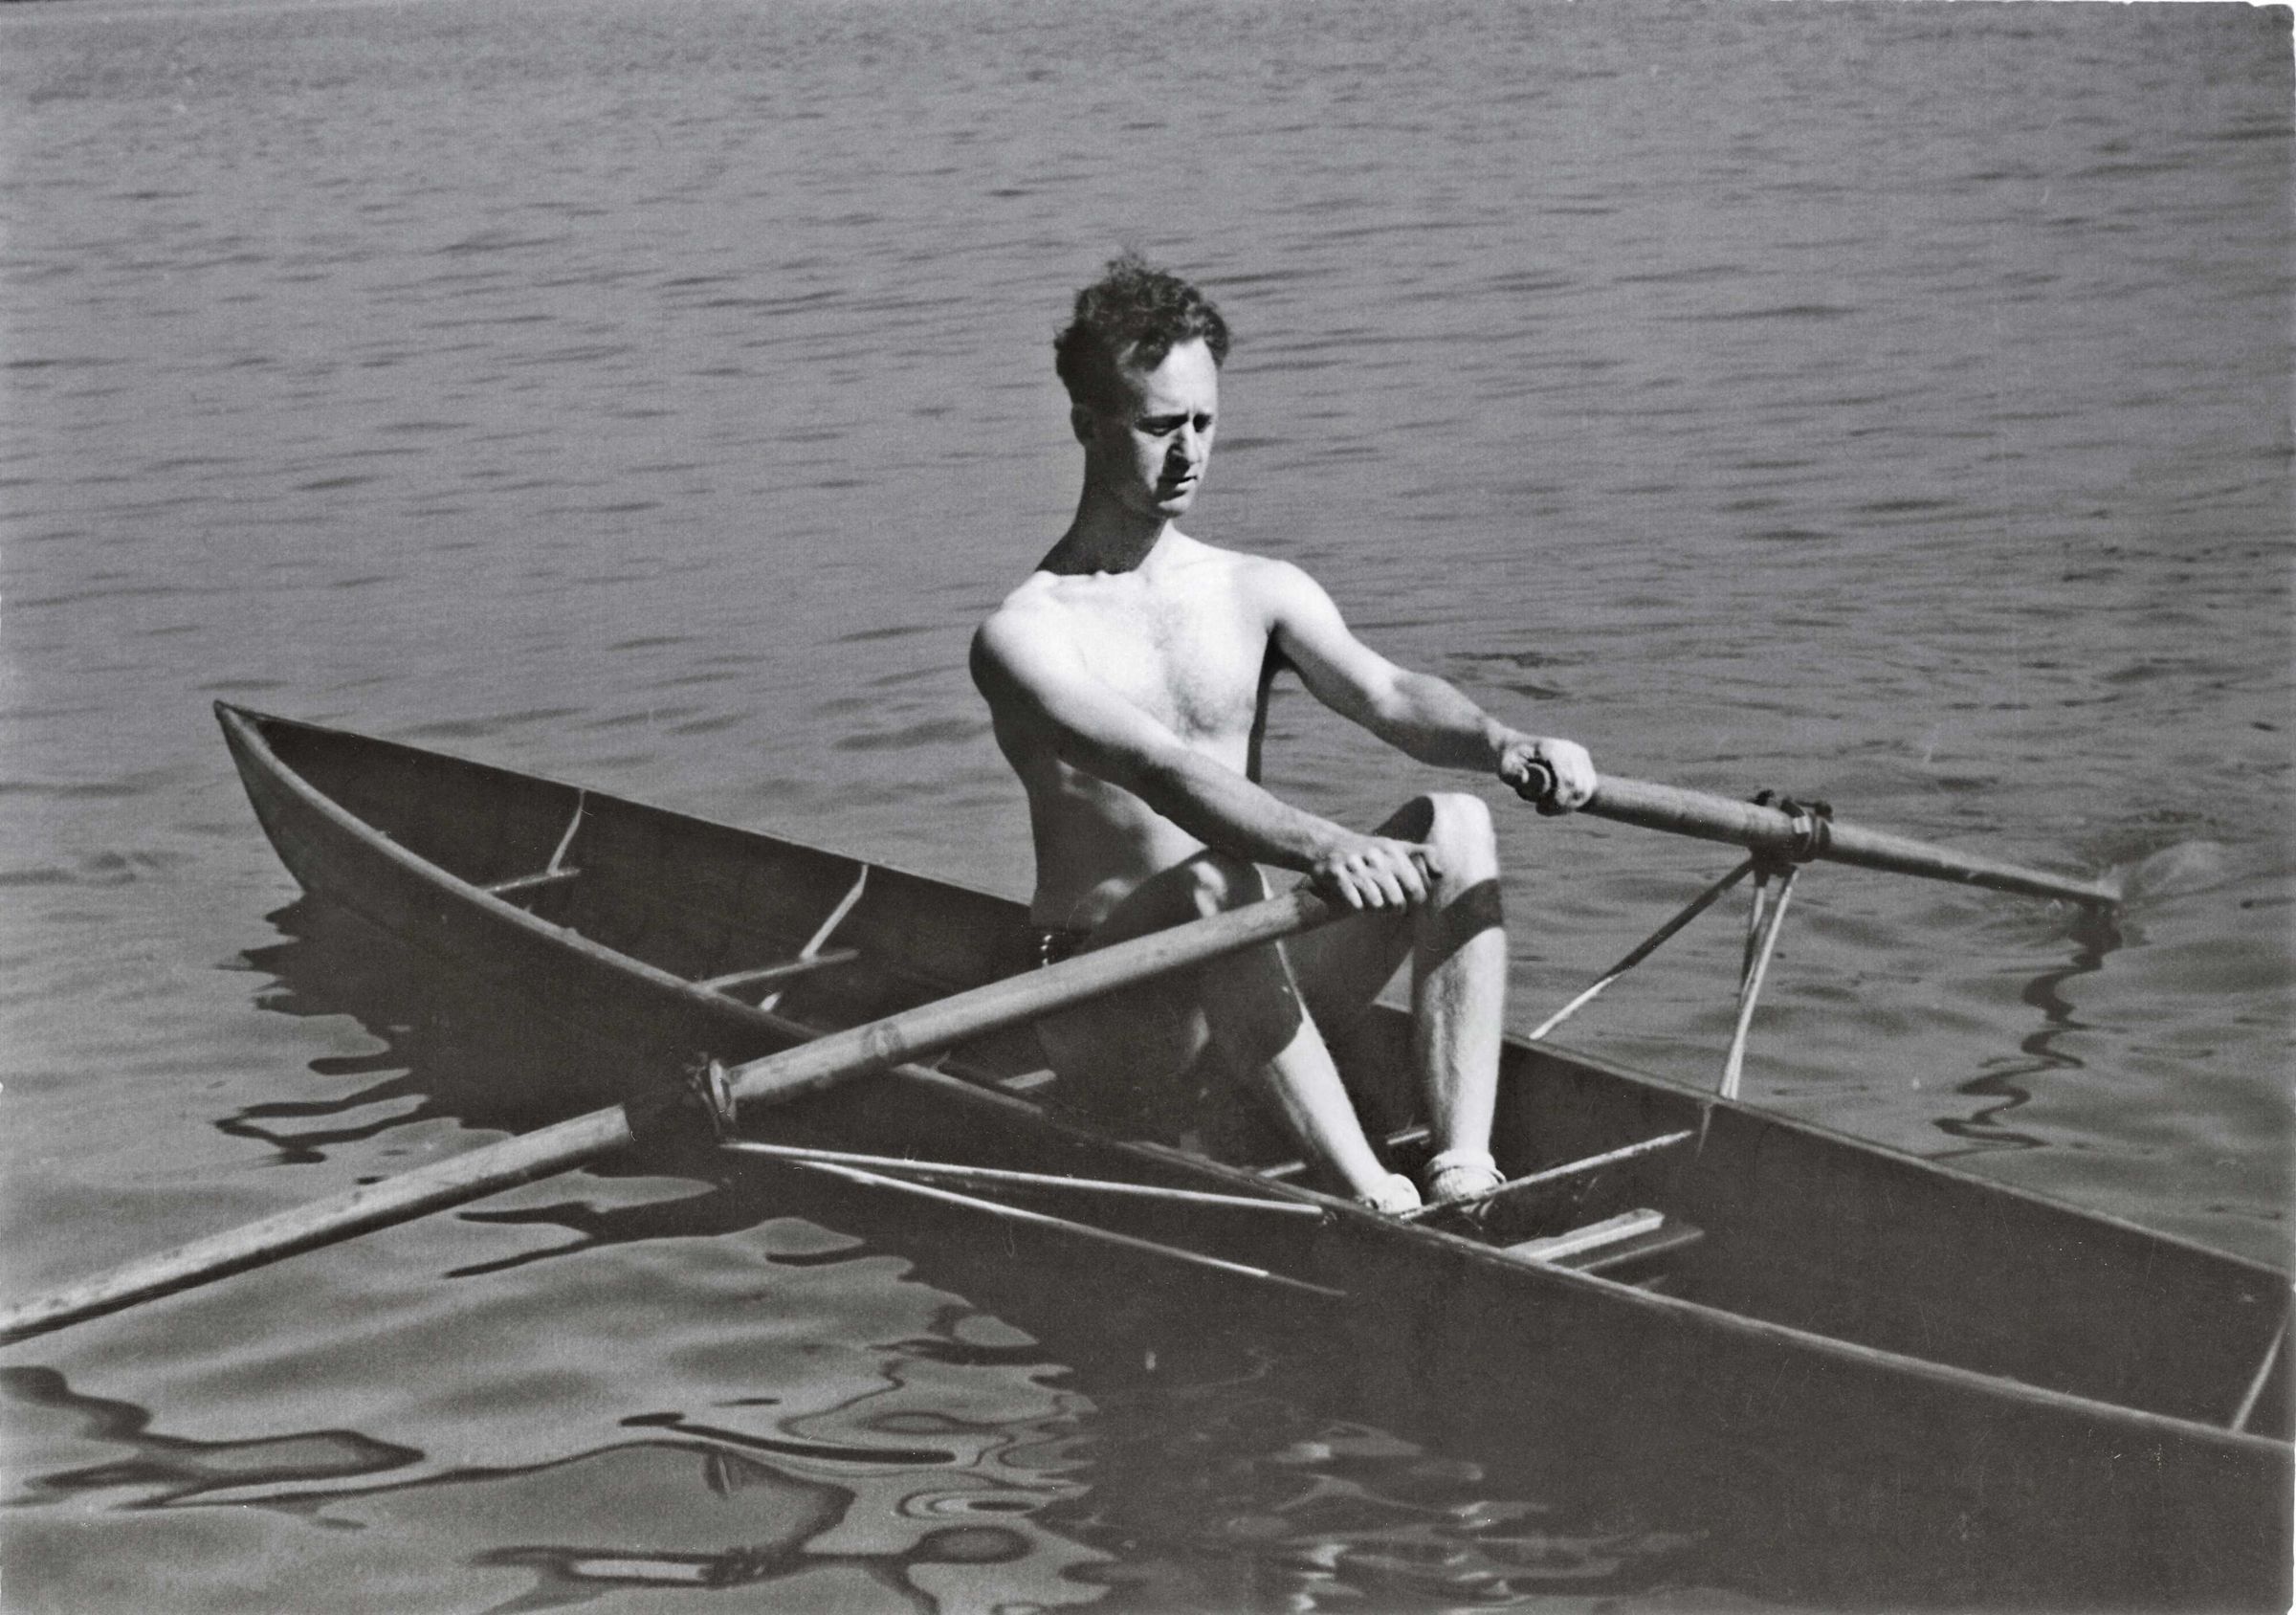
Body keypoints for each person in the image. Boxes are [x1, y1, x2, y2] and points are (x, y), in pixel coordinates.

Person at [970, 254, 1597, 1213]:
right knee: (1217, 880)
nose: (1188, 453)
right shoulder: (1025, 634)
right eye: (1159, 426)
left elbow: (1390, 694)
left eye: (1204, 422)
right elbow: (1159, 768)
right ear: (1087, 425)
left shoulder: (1256, 588)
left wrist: (1506, 745)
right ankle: (1375, 1197)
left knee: (1459, 824)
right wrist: (1326, 846)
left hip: (1248, 964)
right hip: (1107, 1007)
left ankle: (1465, 1170)